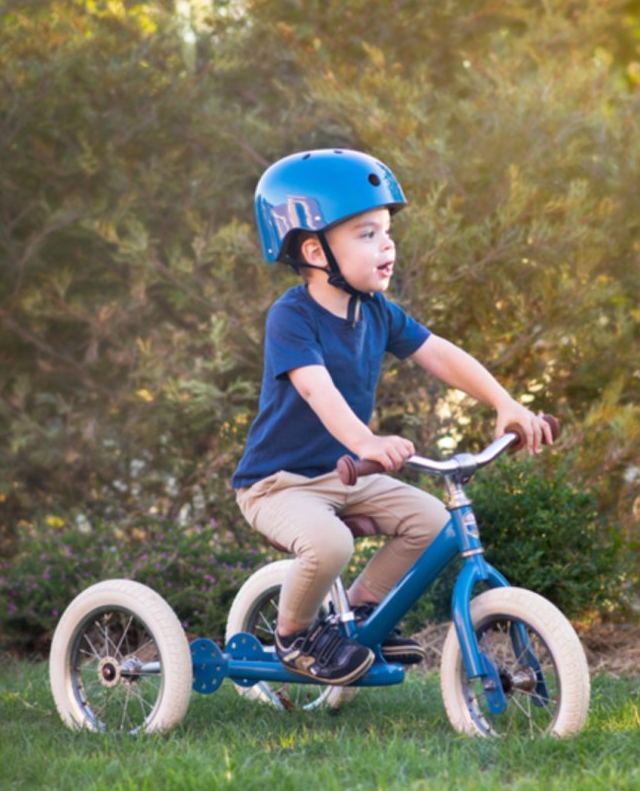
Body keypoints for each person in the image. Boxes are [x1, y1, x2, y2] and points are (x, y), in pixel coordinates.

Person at [232, 148, 552, 685]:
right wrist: (366, 441)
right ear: (314, 249)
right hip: (278, 484)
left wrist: (506, 402)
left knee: (430, 523)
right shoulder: (292, 316)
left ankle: (359, 616)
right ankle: (293, 637)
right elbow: (317, 390)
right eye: (366, 233)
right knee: (330, 544)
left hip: (344, 474)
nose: (387, 244)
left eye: (386, 231)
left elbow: (440, 354)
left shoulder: (376, 311)